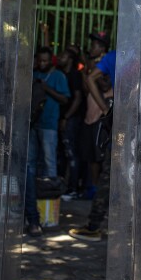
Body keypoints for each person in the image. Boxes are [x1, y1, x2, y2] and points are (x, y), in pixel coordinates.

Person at [68, 35, 116, 242]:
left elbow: (90, 79)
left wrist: (105, 108)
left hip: (118, 122)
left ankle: (94, 225)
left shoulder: (115, 57)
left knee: (109, 174)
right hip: (140, 123)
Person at [25, 47, 69, 237]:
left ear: (50, 61)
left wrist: (46, 88)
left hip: (49, 123)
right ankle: (34, 207)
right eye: (39, 61)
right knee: (31, 164)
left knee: (50, 163)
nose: (42, 64)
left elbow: (65, 99)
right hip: (32, 123)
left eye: (45, 61)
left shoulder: (58, 75)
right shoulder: (32, 73)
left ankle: (49, 209)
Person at [57, 45, 86, 200]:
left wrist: (67, 117)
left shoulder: (74, 75)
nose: (59, 58)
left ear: (70, 59)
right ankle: (65, 187)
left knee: (71, 153)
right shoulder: (62, 73)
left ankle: (73, 188)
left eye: (62, 56)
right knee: (63, 153)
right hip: (65, 117)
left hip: (72, 118)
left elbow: (78, 98)